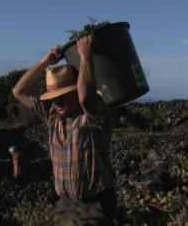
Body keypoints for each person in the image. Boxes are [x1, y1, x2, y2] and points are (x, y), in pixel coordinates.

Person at [12, 34, 116, 225]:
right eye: (52, 97)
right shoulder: (53, 116)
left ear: (75, 91)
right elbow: (19, 92)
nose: (56, 102)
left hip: (94, 205)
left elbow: (86, 98)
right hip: (66, 204)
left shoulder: (93, 117)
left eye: (62, 96)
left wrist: (85, 56)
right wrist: (45, 62)